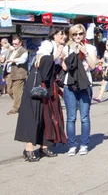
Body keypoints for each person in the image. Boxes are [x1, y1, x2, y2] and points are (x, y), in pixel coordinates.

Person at [15, 27, 68, 161]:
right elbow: (42, 65)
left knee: (49, 117)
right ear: (54, 35)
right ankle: (29, 149)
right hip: (38, 85)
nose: (64, 36)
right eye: (60, 34)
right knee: (35, 116)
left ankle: (45, 147)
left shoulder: (61, 48)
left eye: (64, 34)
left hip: (50, 86)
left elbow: (58, 70)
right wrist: (56, 56)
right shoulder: (47, 46)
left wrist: (62, 59)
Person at [62, 24, 98, 156]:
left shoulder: (90, 48)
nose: (78, 37)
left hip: (85, 85)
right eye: (75, 34)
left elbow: (93, 65)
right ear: (71, 35)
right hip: (69, 85)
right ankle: (71, 145)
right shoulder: (67, 48)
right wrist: (72, 53)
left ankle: (84, 144)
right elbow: (65, 67)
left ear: (84, 34)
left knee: (84, 117)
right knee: (71, 117)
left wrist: (85, 52)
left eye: (80, 34)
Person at [5, 35, 29, 115]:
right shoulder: (11, 51)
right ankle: (22, 103)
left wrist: (12, 60)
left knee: (16, 92)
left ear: (20, 43)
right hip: (10, 74)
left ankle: (15, 108)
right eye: (13, 44)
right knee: (9, 91)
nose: (14, 45)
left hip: (19, 74)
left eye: (16, 44)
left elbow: (22, 60)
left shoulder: (24, 51)